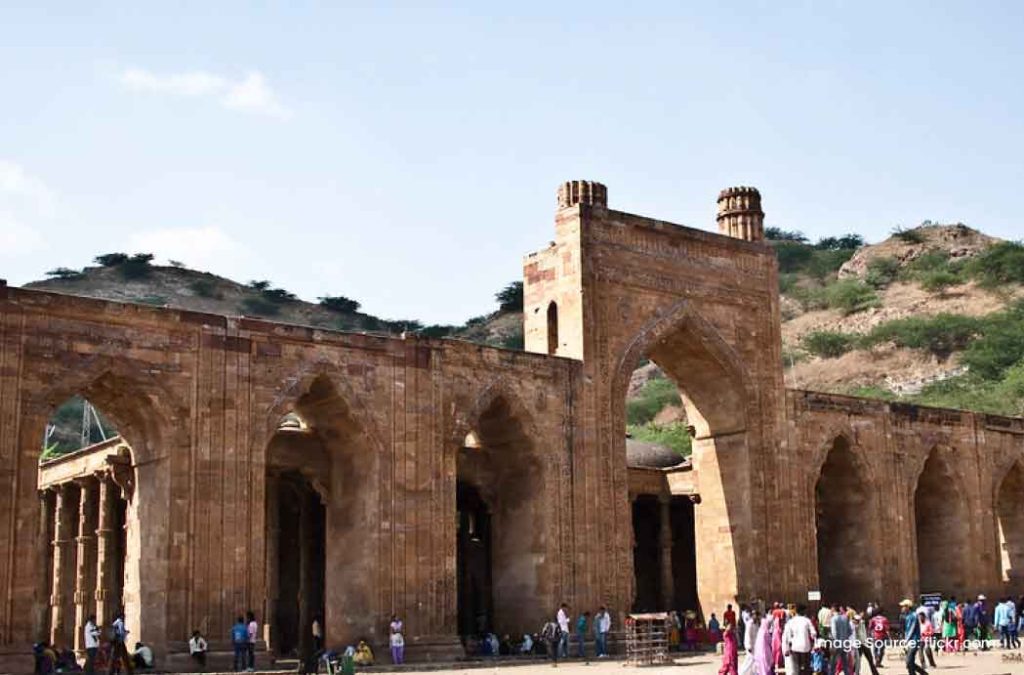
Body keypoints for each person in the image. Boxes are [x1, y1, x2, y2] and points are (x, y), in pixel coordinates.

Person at [782, 604, 817, 675]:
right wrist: (814, 643)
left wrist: (786, 648)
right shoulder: (807, 620)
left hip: (795, 647)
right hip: (805, 647)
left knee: (796, 667)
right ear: (803, 611)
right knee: (806, 668)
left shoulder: (790, 622)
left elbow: (786, 636)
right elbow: (814, 633)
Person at [903, 604, 927, 675]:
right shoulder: (907, 616)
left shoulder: (913, 616)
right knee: (910, 661)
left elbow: (911, 629)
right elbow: (907, 630)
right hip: (910, 641)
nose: (902, 608)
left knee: (909, 661)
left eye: (904, 606)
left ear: (908, 607)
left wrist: (906, 640)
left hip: (914, 640)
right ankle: (923, 673)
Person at [829, 605, 852, 675]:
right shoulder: (845, 618)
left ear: (833, 609)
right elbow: (850, 631)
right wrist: (845, 637)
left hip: (837, 643)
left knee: (833, 663)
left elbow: (834, 633)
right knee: (845, 662)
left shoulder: (833, 619)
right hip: (844, 643)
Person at [740, 609, 760, 675]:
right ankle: (742, 672)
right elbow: (747, 635)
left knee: (755, 660)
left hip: (755, 645)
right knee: (749, 660)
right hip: (750, 645)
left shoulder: (756, 624)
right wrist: (749, 646)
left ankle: (753, 673)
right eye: (755, 615)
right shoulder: (749, 624)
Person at [755, 611, 775, 675]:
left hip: (759, 652)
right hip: (765, 651)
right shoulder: (765, 632)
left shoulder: (760, 631)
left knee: (761, 665)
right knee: (766, 665)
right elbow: (770, 641)